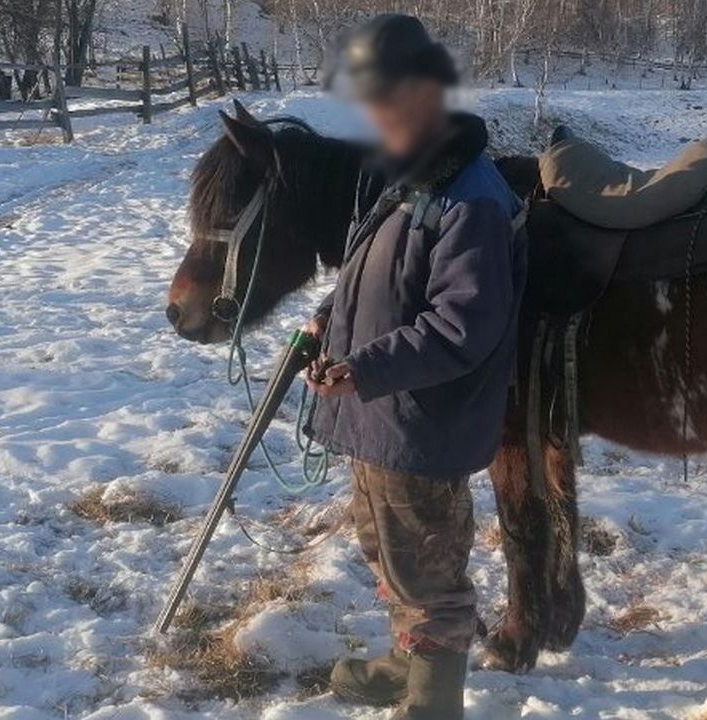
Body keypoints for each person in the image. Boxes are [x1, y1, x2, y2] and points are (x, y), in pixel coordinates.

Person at [300, 13, 527, 720]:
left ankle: (433, 704)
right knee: (389, 554)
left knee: (430, 575)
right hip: (382, 415)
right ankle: (406, 659)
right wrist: (330, 317)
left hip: (421, 424)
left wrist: (363, 367)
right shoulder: (413, 176)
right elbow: (376, 268)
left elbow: (463, 325)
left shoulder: (472, 200)